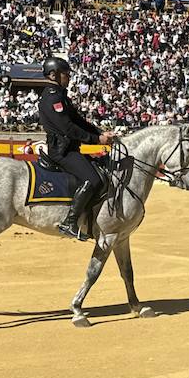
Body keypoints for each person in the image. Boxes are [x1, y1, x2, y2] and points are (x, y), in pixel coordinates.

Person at [38, 55, 114, 241]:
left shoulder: (60, 95)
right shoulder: (52, 97)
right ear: (54, 75)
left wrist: (101, 133)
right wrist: (96, 139)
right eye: (65, 74)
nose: (69, 77)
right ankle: (70, 221)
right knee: (93, 179)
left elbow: (78, 121)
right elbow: (68, 128)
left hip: (70, 148)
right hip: (62, 151)